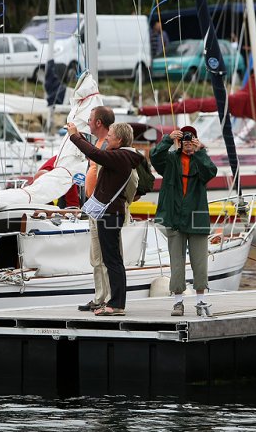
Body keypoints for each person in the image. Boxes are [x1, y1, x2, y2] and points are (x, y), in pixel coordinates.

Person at [68, 121, 144, 317]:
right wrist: (80, 137)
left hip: (110, 214)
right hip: (110, 213)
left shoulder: (120, 156)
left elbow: (96, 154)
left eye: (110, 135)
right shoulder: (123, 155)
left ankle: (117, 304)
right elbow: (96, 152)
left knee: (112, 260)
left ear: (119, 140)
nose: (107, 137)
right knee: (112, 259)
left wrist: (75, 136)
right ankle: (114, 302)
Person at [150, 125, 217, 317]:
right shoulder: (171, 160)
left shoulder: (199, 159)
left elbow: (211, 171)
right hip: (174, 218)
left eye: (191, 138)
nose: (188, 142)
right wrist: (168, 139)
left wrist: (200, 150)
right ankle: (178, 303)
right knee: (176, 263)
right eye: (185, 139)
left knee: (200, 262)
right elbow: (155, 157)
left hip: (197, 218)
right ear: (180, 141)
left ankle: (200, 301)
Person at [77, 106, 115, 313]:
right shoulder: (99, 143)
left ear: (99, 122)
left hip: (104, 207)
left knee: (106, 255)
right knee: (96, 256)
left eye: (91, 119)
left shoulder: (109, 145)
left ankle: (109, 297)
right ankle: (100, 296)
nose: (89, 122)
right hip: (93, 205)